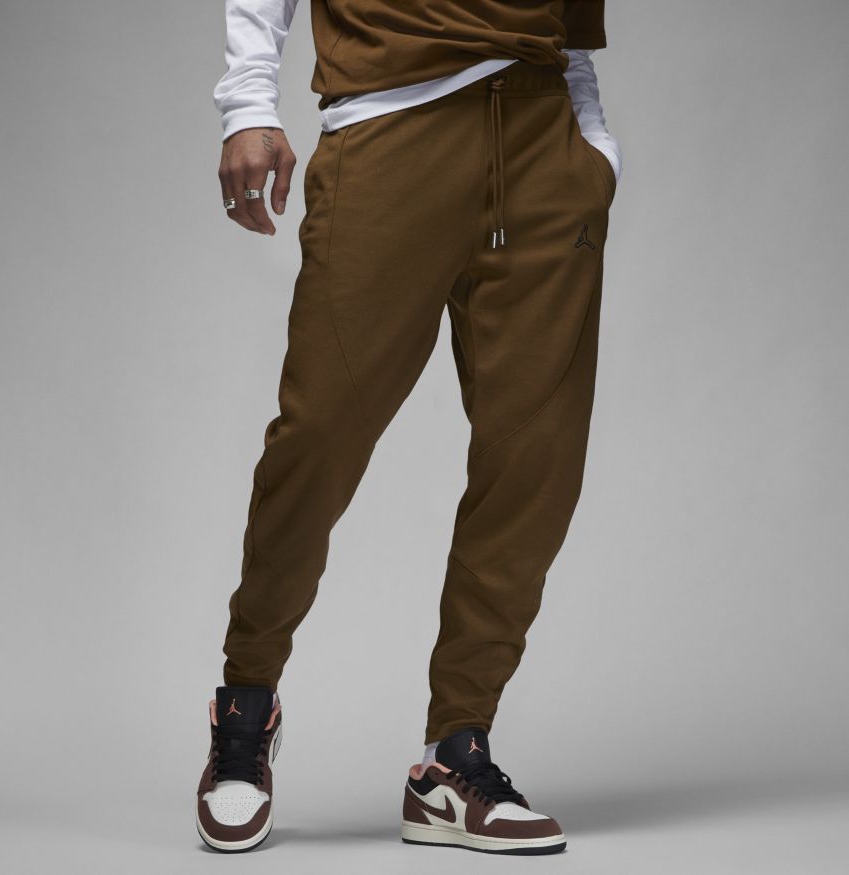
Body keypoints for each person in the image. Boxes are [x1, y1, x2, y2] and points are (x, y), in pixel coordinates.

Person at [196, 0, 621, 856]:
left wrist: (591, 140)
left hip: (544, 139)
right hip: (389, 128)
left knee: (534, 459)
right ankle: (246, 702)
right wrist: (248, 103)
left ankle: (453, 757)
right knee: (318, 437)